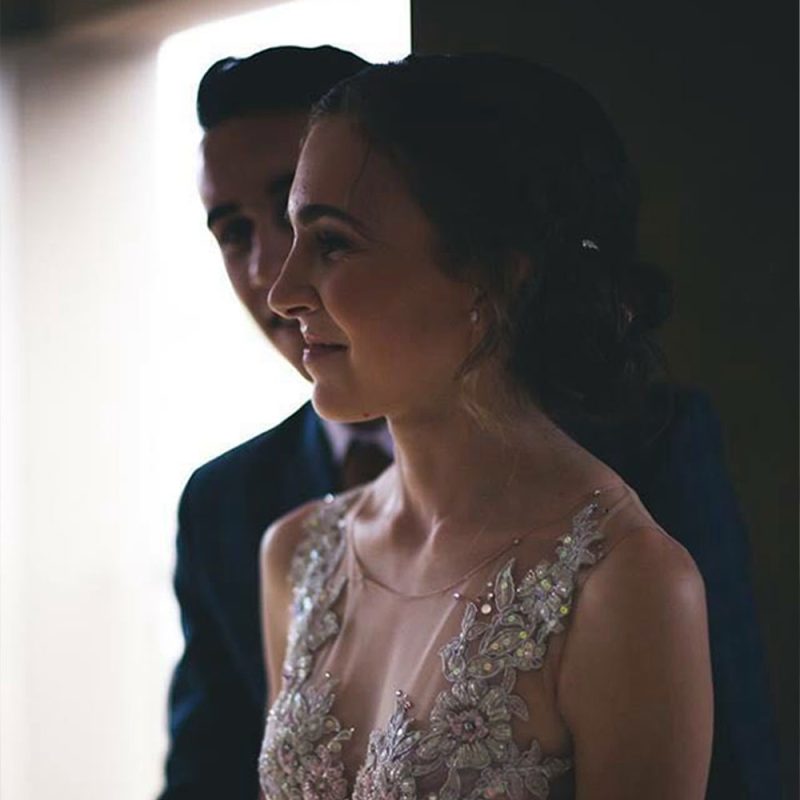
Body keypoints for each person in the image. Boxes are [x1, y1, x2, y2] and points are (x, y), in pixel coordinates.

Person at [161, 46, 780, 800]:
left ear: (492, 270)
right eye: (242, 232)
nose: (279, 288)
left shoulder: (627, 579)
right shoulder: (295, 553)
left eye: (332, 242)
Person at [158, 46, 391, 800]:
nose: (267, 273)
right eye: (234, 232)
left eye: (304, 217)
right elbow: (207, 771)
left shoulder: (629, 457)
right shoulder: (222, 504)